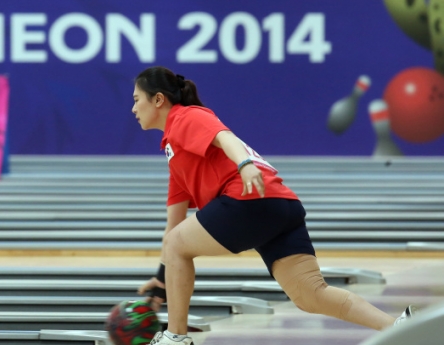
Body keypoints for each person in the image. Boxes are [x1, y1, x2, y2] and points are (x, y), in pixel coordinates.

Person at [133, 66, 414, 345]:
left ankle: (175, 338)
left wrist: (244, 165)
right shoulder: (175, 153)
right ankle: (402, 329)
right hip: (281, 205)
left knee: (177, 243)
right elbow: (174, 225)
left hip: (248, 197)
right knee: (310, 294)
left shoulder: (185, 116)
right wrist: (162, 279)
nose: (133, 108)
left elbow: (224, 137)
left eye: (136, 99)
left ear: (158, 99)